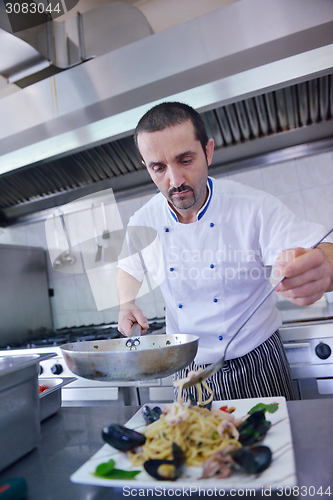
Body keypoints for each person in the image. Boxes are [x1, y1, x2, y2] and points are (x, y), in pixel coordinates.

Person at [116, 101, 333, 402]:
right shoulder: (143, 221)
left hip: (258, 361)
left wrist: (324, 266)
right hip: (188, 370)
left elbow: (319, 247)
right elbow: (128, 266)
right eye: (159, 168)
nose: (175, 181)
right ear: (147, 167)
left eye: (185, 160)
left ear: (208, 151)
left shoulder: (252, 206)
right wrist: (126, 303)